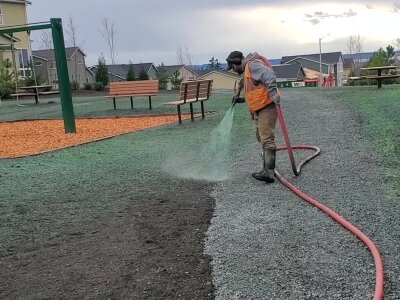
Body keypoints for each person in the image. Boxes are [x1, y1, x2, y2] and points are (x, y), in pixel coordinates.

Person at [226, 51, 280, 183]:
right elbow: (254, 92)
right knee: (260, 137)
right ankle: (266, 168)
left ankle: (269, 172)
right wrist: (240, 99)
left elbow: (269, 74)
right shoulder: (247, 71)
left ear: (238, 62)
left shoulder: (252, 65)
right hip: (259, 108)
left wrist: (273, 93)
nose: (233, 69)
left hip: (267, 106)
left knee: (266, 138)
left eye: (233, 66)